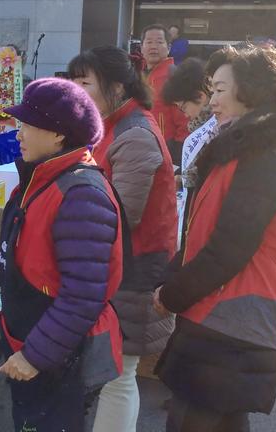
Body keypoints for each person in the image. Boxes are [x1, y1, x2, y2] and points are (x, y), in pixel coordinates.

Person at [154, 46, 276, 431]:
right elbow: (203, 232)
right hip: (225, 317)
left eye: (219, 90)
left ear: (250, 90)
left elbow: (227, 250)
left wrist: (170, 294)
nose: (211, 100)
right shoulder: (242, 150)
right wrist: (171, 277)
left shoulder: (262, 160)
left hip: (233, 321)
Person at [0, 78, 123, 432]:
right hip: (38, 345)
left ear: (59, 134)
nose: (19, 134)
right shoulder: (41, 177)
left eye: (27, 125)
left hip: (62, 359)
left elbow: (82, 296)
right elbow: (26, 247)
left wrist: (35, 356)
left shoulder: (81, 194)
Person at [68, 46, 177, 432]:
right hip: (119, 263)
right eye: (73, 82)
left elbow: (118, 214)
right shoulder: (112, 123)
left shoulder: (134, 135)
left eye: (84, 83)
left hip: (135, 268)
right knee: (112, 371)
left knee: (119, 373)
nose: (76, 91)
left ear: (116, 86)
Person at [161, 59, 219, 245]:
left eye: (183, 107)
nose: (183, 114)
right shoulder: (203, 126)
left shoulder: (216, 130)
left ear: (200, 96)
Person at [141, 24, 190, 162]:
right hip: (143, 148)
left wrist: (177, 153)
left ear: (169, 48)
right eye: (149, 42)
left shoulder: (174, 76)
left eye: (159, 42)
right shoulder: (139, 76)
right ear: (141, 48)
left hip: (167, 150)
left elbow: (185, 119)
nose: (153, 46)